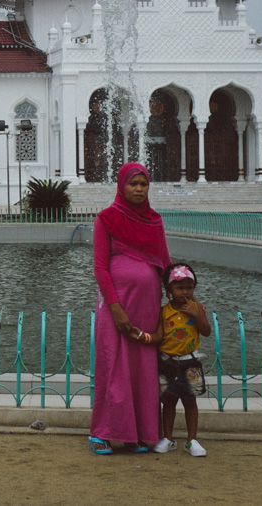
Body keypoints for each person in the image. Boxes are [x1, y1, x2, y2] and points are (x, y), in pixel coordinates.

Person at [89, 162, 172, 455]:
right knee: (114, 368)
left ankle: (136, 434)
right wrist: (116, 308)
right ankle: (101, 432)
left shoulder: (154, 222)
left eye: (143, 184)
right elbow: (100, 268)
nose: (138, 189)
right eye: (133, 184)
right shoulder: (107, 218)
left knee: (142, 372)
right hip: (117, 307)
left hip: (147, 308)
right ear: (122, 186)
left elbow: (165, 265)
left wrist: (172, 307)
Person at [152, 263, 211, 457]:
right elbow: (159, 337)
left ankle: (192, 439)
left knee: (190, 401)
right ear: (169, 290)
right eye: (179, 288)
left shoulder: (196, 308)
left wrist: (197, 314)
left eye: (189, 287)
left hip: (190, 363)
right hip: (168, 362)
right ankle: (168, 438)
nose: (184, 292)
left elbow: (206, 331)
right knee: (169, 402)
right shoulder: (163, 312)